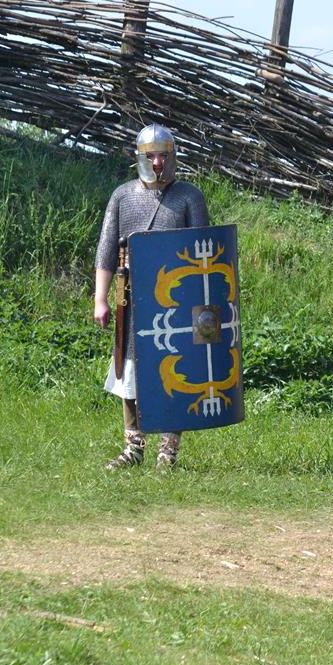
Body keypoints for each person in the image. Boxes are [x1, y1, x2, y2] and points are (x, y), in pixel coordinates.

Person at [94, 124, 210, 471]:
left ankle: (167, 451)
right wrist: (100, 299)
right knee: (129, 369)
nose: (158, 163)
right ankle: (134, 448)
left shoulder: (189, 197)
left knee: (175, 368)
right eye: (151, 156)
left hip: (178, 296)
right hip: (131, 296)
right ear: (140, 158)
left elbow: (205, 253)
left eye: (163, 155)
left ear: (172, 157)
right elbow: (106, 252)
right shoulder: (122, 196)